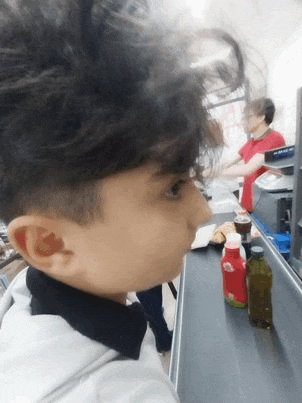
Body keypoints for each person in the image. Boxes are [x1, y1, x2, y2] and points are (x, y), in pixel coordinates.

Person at [0, 1, 244, 402]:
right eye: (172, 189)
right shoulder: (118, 393)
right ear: (49, 243)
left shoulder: (39, 294)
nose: (202, 211)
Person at [211, 98, 285, 212]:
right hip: (247, 206)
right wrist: (207, 170)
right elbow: (230, 163)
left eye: (247, 117)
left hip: (264, 209)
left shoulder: (274, 138)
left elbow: (247, 169)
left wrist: (212, 173)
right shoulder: (250, 142)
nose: (243, 121)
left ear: (261, 117)